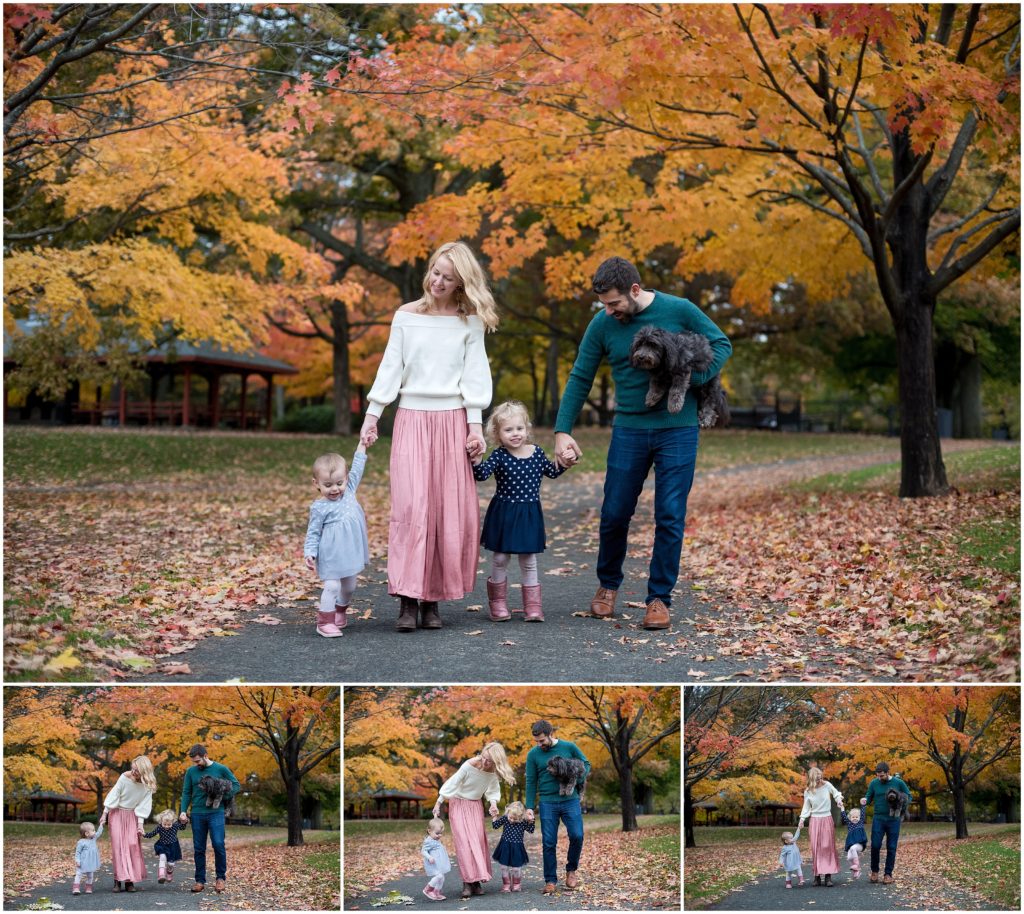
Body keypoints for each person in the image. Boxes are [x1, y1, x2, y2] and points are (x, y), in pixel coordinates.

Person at [553, 256, 732, 630]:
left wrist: (694, 377)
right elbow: (580, 375)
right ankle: (608, 586)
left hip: (677, 428)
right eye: (603, 304)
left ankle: (658, 599)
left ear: (635, 291)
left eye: (614, 303)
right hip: (629, 429)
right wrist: (562, 429)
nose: (608, 310)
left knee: (669, 514)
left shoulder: (679, 309)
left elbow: (722, 344)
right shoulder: (602, 324)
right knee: (615, 511)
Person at [360, 241, 498, 632]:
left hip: (452, 420)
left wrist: (474, 426)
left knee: (445, 510)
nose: (437, 281)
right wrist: (373, 416)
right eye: (435, 272)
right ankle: (407, 599)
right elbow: (390, 368)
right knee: (411, 508)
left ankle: (432, 602)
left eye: (447, 277)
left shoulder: (469, 322)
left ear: (461, 283)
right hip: (411, 419)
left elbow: (474, 374)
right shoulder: (405, 316)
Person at [472, 400, 568, 622]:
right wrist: (477, 460)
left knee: (528, 559)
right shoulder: (499, 455)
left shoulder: (536, 453)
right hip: (504, 513)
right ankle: (498, 605)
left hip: (529, 513)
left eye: (519, 428)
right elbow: (482, 474)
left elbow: (552, 472)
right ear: (498, 434)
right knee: (500, 557)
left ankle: (533, 607)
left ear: (527, 428)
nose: (515, 434)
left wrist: (565, 462)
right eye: (508, 430)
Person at [432, 741, 516, 899]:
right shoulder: (469, 764)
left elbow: (492, 790)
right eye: (483, 757)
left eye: (489, 760)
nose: (484, 762)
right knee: (464, 843)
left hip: (475, 806)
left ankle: (477, 882)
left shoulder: (493, 771)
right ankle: (467, 882)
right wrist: (439, 801)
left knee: (477, 842)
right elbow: (453, 782)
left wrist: (492, 804)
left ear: (496, 762)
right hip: (458, 803)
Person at [303, 444, 369, 637]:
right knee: (333, 586)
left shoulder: (349, 491)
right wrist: (310, 552)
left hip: (350, 551)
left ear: (346, 479)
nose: (335, 489)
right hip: (330, 553)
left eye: (339, 483)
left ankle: (340, 611)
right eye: (328, 485)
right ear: (316, 483)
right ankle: (324, 622)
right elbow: (313, 532)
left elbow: (358, 466)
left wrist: (362, 445)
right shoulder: (319, 508)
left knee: (349, 587)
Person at [524, 720, 591, 895]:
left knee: (577, 835)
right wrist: (529, 807)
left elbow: (586, 764)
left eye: (542, 741)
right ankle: (550, 880)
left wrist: (578, 778)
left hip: (570, 800)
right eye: (537, 741)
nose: (540, 744)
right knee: (548, 842)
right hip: (547, 802)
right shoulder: (533, 755)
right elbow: (531, 781)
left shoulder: (569, 747)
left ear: (550, 734)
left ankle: (571, 870)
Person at [179, 743, 241, 894]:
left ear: (205, 756)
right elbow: (186, 792)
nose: (196, 764)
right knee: (199, 848)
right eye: (194, 761)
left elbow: (236, 785)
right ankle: (200, 881)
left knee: (218, 844)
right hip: (197, 813)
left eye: (198, 761)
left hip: (216, 812)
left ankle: (220, 878)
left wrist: (220, 794)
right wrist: (182, 811)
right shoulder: (191, 772)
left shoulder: (221, 769)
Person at [99, 755, 156, 892]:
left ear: (144, 771)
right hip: (117, 813)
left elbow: (144, 805)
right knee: (118, 847)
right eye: (132, 768)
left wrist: (140, 824)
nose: (133, 772)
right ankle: (118, 880)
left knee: (132, 845)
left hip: (132, 816)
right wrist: (105, 813)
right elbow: (114, 795)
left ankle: (130, 881)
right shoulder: (124, 777)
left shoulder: (148, 785)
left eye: (136, 770)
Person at [861, 761, 912, 885]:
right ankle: (874, 871)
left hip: (894, 820)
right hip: (878, 818)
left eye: (882, 775)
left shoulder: (898, 782)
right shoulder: (874, 783)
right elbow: (869, 796)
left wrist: (901, 804)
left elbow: (909, 796)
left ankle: (888, 874)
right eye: (878, 775)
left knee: (891, 847)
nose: (880, 778)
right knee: (875, 845)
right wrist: (865, 800)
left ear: (888, 773)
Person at [796, 766, 844, 887]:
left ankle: (828, 876)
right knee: (816, 847)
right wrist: (802, 819)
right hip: (815, 820)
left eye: (821, 778)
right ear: (812, 779)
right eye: (817, 779)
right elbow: (806, 807)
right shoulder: (808, 791)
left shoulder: (827, 785)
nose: (820, 780)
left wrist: (838, 800)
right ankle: (817, 876)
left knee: (827, 846)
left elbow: (836, 793)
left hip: (827, 818)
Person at [491, 800, 535, 893]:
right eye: (511, 817)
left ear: (520, 817)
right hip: (505, 846)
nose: (512, 820)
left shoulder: (523, 822)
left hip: (517, 848)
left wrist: (531, 821)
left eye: (515, 819)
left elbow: (531, 830)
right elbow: (495, 826)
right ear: (508, 813)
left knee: (516, 868)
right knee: (504, 867)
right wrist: (494, 816)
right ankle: (506, 885)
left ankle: (516, 884)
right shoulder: (505, 818)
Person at [143, 809, 188, 883]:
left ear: (172, 822)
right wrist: (144, 834)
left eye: (169, 824)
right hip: (162, 845)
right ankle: (161, 875)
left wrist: (184, 822)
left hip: (173, 846)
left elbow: (182, 828)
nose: (166, 826)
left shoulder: (175, 825)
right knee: (162, 858)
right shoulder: (160, 827)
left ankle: (169, 872)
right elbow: (152, 834)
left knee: (171, 863)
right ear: (161, 822)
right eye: (164, 824)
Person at [421, 817, 451, 902]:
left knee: (442, 877)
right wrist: (429, 857)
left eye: (441, 833)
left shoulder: (435, 838)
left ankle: (436, 892)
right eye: (437, 833)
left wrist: (435, 816)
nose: (439, 835)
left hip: (439, 862)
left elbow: (435, 823)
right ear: (429, 831)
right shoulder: (428, 841)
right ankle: (428, 889)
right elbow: (423, 851)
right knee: (439, 876)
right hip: (433, 862)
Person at [72, 820, 103, 895]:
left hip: (91, 861)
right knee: (79, 874)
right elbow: (78, 852)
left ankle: (88, 887)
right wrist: (77, 860)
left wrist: (101, 825)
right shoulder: (81, 842)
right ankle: (76, 887)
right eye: (93, 830)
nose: (95, 832)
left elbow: (99, 833)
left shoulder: (93, 838)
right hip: (83, 862)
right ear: (87, 833)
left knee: (90, 875)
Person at [840, 805, 867, 878]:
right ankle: (857, 871)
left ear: (859, 818)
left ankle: (856, 865)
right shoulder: (850, 824)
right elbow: (844, 817)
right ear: (850, 818)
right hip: (852, 845)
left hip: (860, 844)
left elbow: (863, 813)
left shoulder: (860, 823)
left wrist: (863, 805)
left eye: (856, 817)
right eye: (853, 817)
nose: (855, 819)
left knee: (853, 848)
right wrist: (842, 808)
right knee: (849, 858)